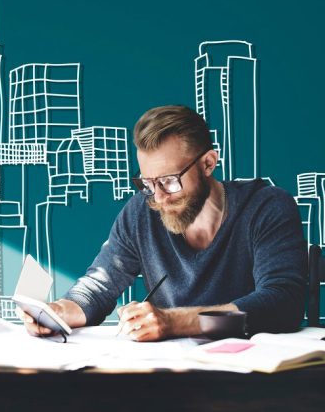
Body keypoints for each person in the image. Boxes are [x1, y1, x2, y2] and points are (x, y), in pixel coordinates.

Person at [20, 105, 307, 341]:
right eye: (147, 182)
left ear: (208, 163)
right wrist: (60, 310)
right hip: (171, 375)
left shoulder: (266, 207)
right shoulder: (141, 212)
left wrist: (175, 321)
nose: (158, 197)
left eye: (170, 180)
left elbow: (283, 303)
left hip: (253, 375)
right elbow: (99, 286)